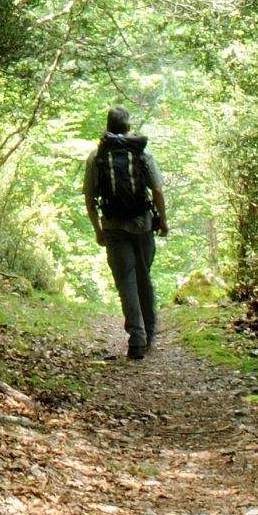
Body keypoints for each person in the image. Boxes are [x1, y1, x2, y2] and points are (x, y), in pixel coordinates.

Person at [85, 108, 168, 359]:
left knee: (126, 282)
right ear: (128, 127)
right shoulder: (141, 153)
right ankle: (149, 333)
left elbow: (89, 199)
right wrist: (163, 221)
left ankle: (137, 340)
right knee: (143, 277)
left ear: (107, 127)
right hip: (143, 225)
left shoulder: (97, 156)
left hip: (113, 227)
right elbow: (157, 190)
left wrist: (98, 230)